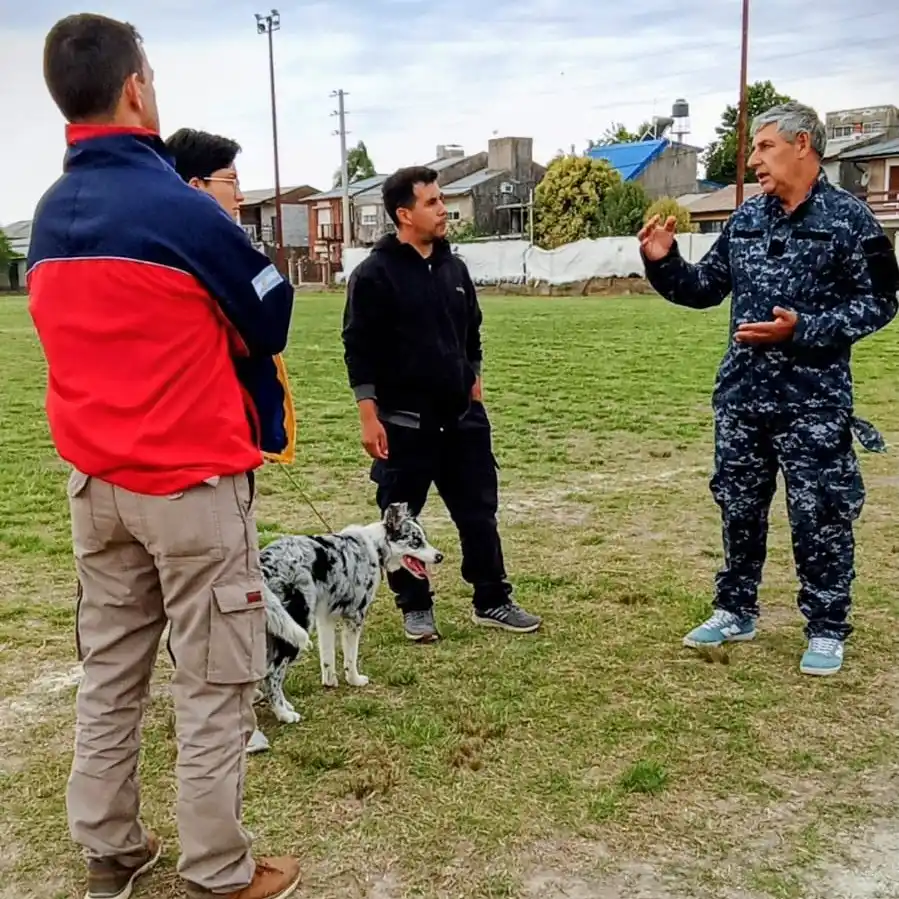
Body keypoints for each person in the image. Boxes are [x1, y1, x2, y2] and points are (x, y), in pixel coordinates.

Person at [29, 14, 301, 899]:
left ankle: (110, 849)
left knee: (110, 674)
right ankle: (219, 867)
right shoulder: (181, 211)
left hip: (96, 485)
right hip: (189, 486)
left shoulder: (49, 214)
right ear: (137, 88)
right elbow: (271, 317)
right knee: (215, 679)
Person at [638, 100, 899, 676]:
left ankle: (827, 626)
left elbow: (881, 302)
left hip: (813, 403)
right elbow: (705, 288)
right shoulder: (746, 220)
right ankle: (736, 608)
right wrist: (662, 263)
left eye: (764, 146)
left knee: (821, 516)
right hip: (743, 398)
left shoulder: (851, 221)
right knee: (738, 509)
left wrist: (804, 330)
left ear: (803, 145)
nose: (754, 159)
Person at [341, 166, 542, 642]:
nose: (442, 209)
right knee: (401, 519)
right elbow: (358, 347)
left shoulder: (455, 267)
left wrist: (475, 377)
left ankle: (491, 599)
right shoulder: (374, 274)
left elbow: (472, 328)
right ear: (404, 214)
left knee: (478, 514)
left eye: (441, 199)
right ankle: (415, 607)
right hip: (404, 425)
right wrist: (368, 415)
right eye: (432, 202)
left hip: (463, 422)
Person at [163, 126, 289, 758]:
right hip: (204, 452)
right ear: (195, 187)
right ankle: (232, 722)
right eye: (230, 182)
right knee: (222, 592)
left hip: (200, 442)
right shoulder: (202, 246)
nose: (240, 193)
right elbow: (264, 325)